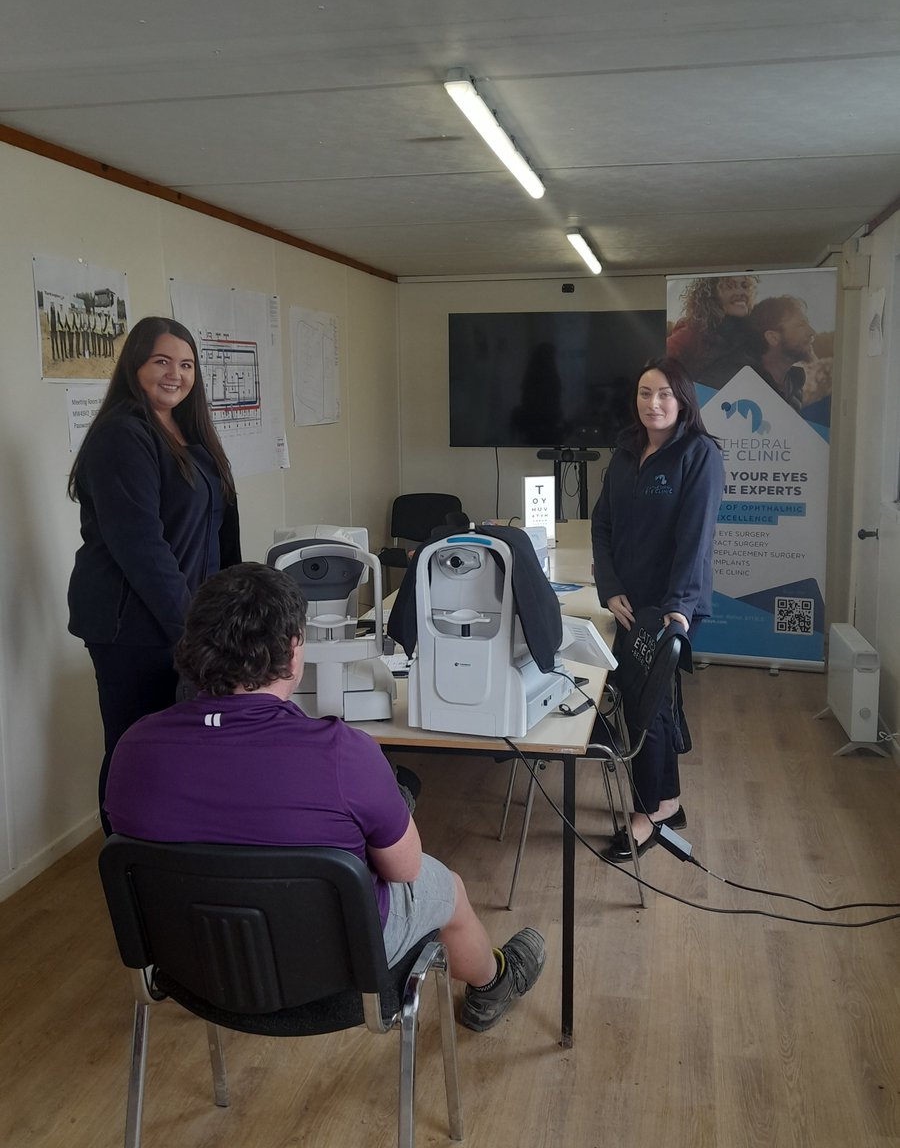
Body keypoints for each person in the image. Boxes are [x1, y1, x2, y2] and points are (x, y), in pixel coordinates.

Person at [104, 562, 546, 1032]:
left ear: (192, 647)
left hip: (192, 965)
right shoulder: (344, 752)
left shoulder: (132, 748)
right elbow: (405, 869)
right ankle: (495, 981)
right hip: (336, 971)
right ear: (295, 652)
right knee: (445, 885)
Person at [67, 315, 241, 832]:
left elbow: (216, 530)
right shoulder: (123, 434)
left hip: (187, 620)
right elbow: (142, 548)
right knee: (133, 746)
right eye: (161, 361)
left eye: (186, 365)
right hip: (133, 627)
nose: (175, 374)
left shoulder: (190, 432)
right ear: (134, 366)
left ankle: (170, 850)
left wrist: (231, 612)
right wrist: (192, 630)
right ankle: (126, 854)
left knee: (184, 745)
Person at [591, 357, 724, 860]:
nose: (654, 403)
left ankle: (650, 812)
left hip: (669, 603)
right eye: (646, 393)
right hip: (626, 600)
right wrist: (609, 587)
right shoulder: (626, 452)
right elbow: (602, 526)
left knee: (651, 707)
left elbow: (696, 539)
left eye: (665, 393)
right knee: (643, 700)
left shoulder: (699, 454)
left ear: (683, 398)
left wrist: (679, 609)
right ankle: (668, 801)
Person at [666, 274, 758, 388]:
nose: (741, 292)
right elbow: (663, 372)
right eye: (730, 286)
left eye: (744, 286)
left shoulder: (753, 335)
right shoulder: (692, 333)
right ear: (712, 295)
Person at [745, 295, 817, 410]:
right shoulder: (745, 387)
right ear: (773, 337)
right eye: (801, 325)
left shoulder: (794, 385)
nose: (812, 332)